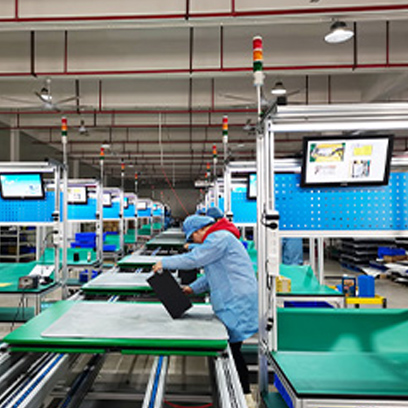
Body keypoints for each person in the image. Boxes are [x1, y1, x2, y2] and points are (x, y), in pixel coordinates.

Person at [153, 215, 258, 407]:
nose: (194, 241)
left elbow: (195, 259)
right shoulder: (219, 239)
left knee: (233, 351)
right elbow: (212, 274)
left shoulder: (219, 237)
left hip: (236, 301)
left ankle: (245, 397)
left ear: (201, 229)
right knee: (232, 349)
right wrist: (192, 289)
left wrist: (164, 262)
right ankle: (243, 393)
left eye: (192, 237)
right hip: (233, 299)